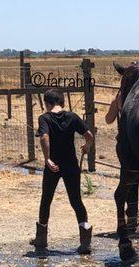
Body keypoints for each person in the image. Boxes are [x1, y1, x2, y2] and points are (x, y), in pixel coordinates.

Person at [30, 89, 94, 254]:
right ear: (62, 102)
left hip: (53, 166)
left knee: (46, 199)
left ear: (47, 104)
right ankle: (85, 240)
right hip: (71, 165)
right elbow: (89, 135)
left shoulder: (44, 117)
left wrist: (47, 159)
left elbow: (44, 137)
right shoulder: (72, 116)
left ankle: (41, 239)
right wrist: (86, 146)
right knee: (76, 201)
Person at [106, 93, 139, 233]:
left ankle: (132, 218)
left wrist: (116, 105)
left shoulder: (120, 98)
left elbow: (108, 119)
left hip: (126, 144)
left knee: (129, 180)